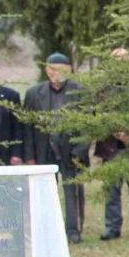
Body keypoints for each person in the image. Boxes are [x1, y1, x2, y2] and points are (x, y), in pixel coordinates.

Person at [23, 52, 88, 244]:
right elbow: (27, 127)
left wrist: (80, 151)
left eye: (62, 69)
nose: (57, 73)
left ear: (69, 70)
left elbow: (88, 125)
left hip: (71, 150)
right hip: (44, 150)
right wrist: (30, 156)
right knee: (44, 193)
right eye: (53, 69)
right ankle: (46, 229)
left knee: (72, 192)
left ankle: (73, 230)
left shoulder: (80, 91)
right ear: (47, 70)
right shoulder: (34, 93)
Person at [98, 48, 129, 242]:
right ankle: (112, 227)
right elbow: (97, 113)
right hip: (110, 147)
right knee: (111, 190)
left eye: (123, 59)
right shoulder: (102, 87)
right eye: (116, 59)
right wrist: (115, 130)